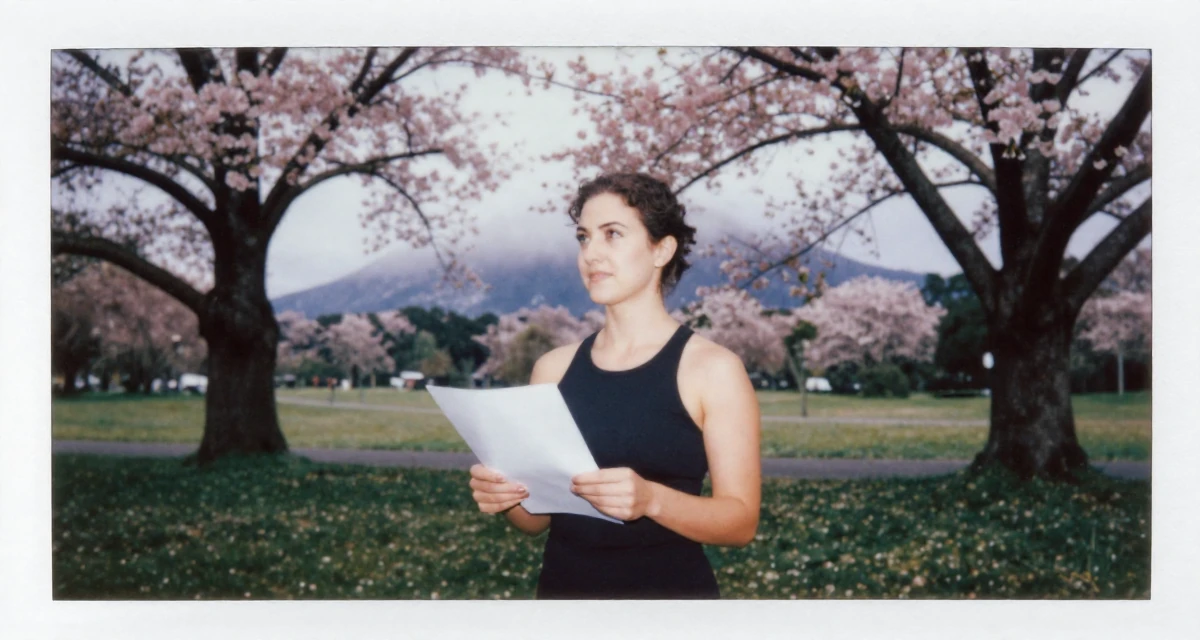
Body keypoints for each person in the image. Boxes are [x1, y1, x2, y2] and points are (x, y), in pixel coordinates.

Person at [468, 172, 762, 599]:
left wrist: (651, 500)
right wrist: (506, 495)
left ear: (662, 249)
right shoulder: (552, 370)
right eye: (584, 237)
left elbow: (740, 523)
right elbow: (535, 522)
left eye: (612, 235)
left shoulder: (713, 370)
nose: (592, 254)